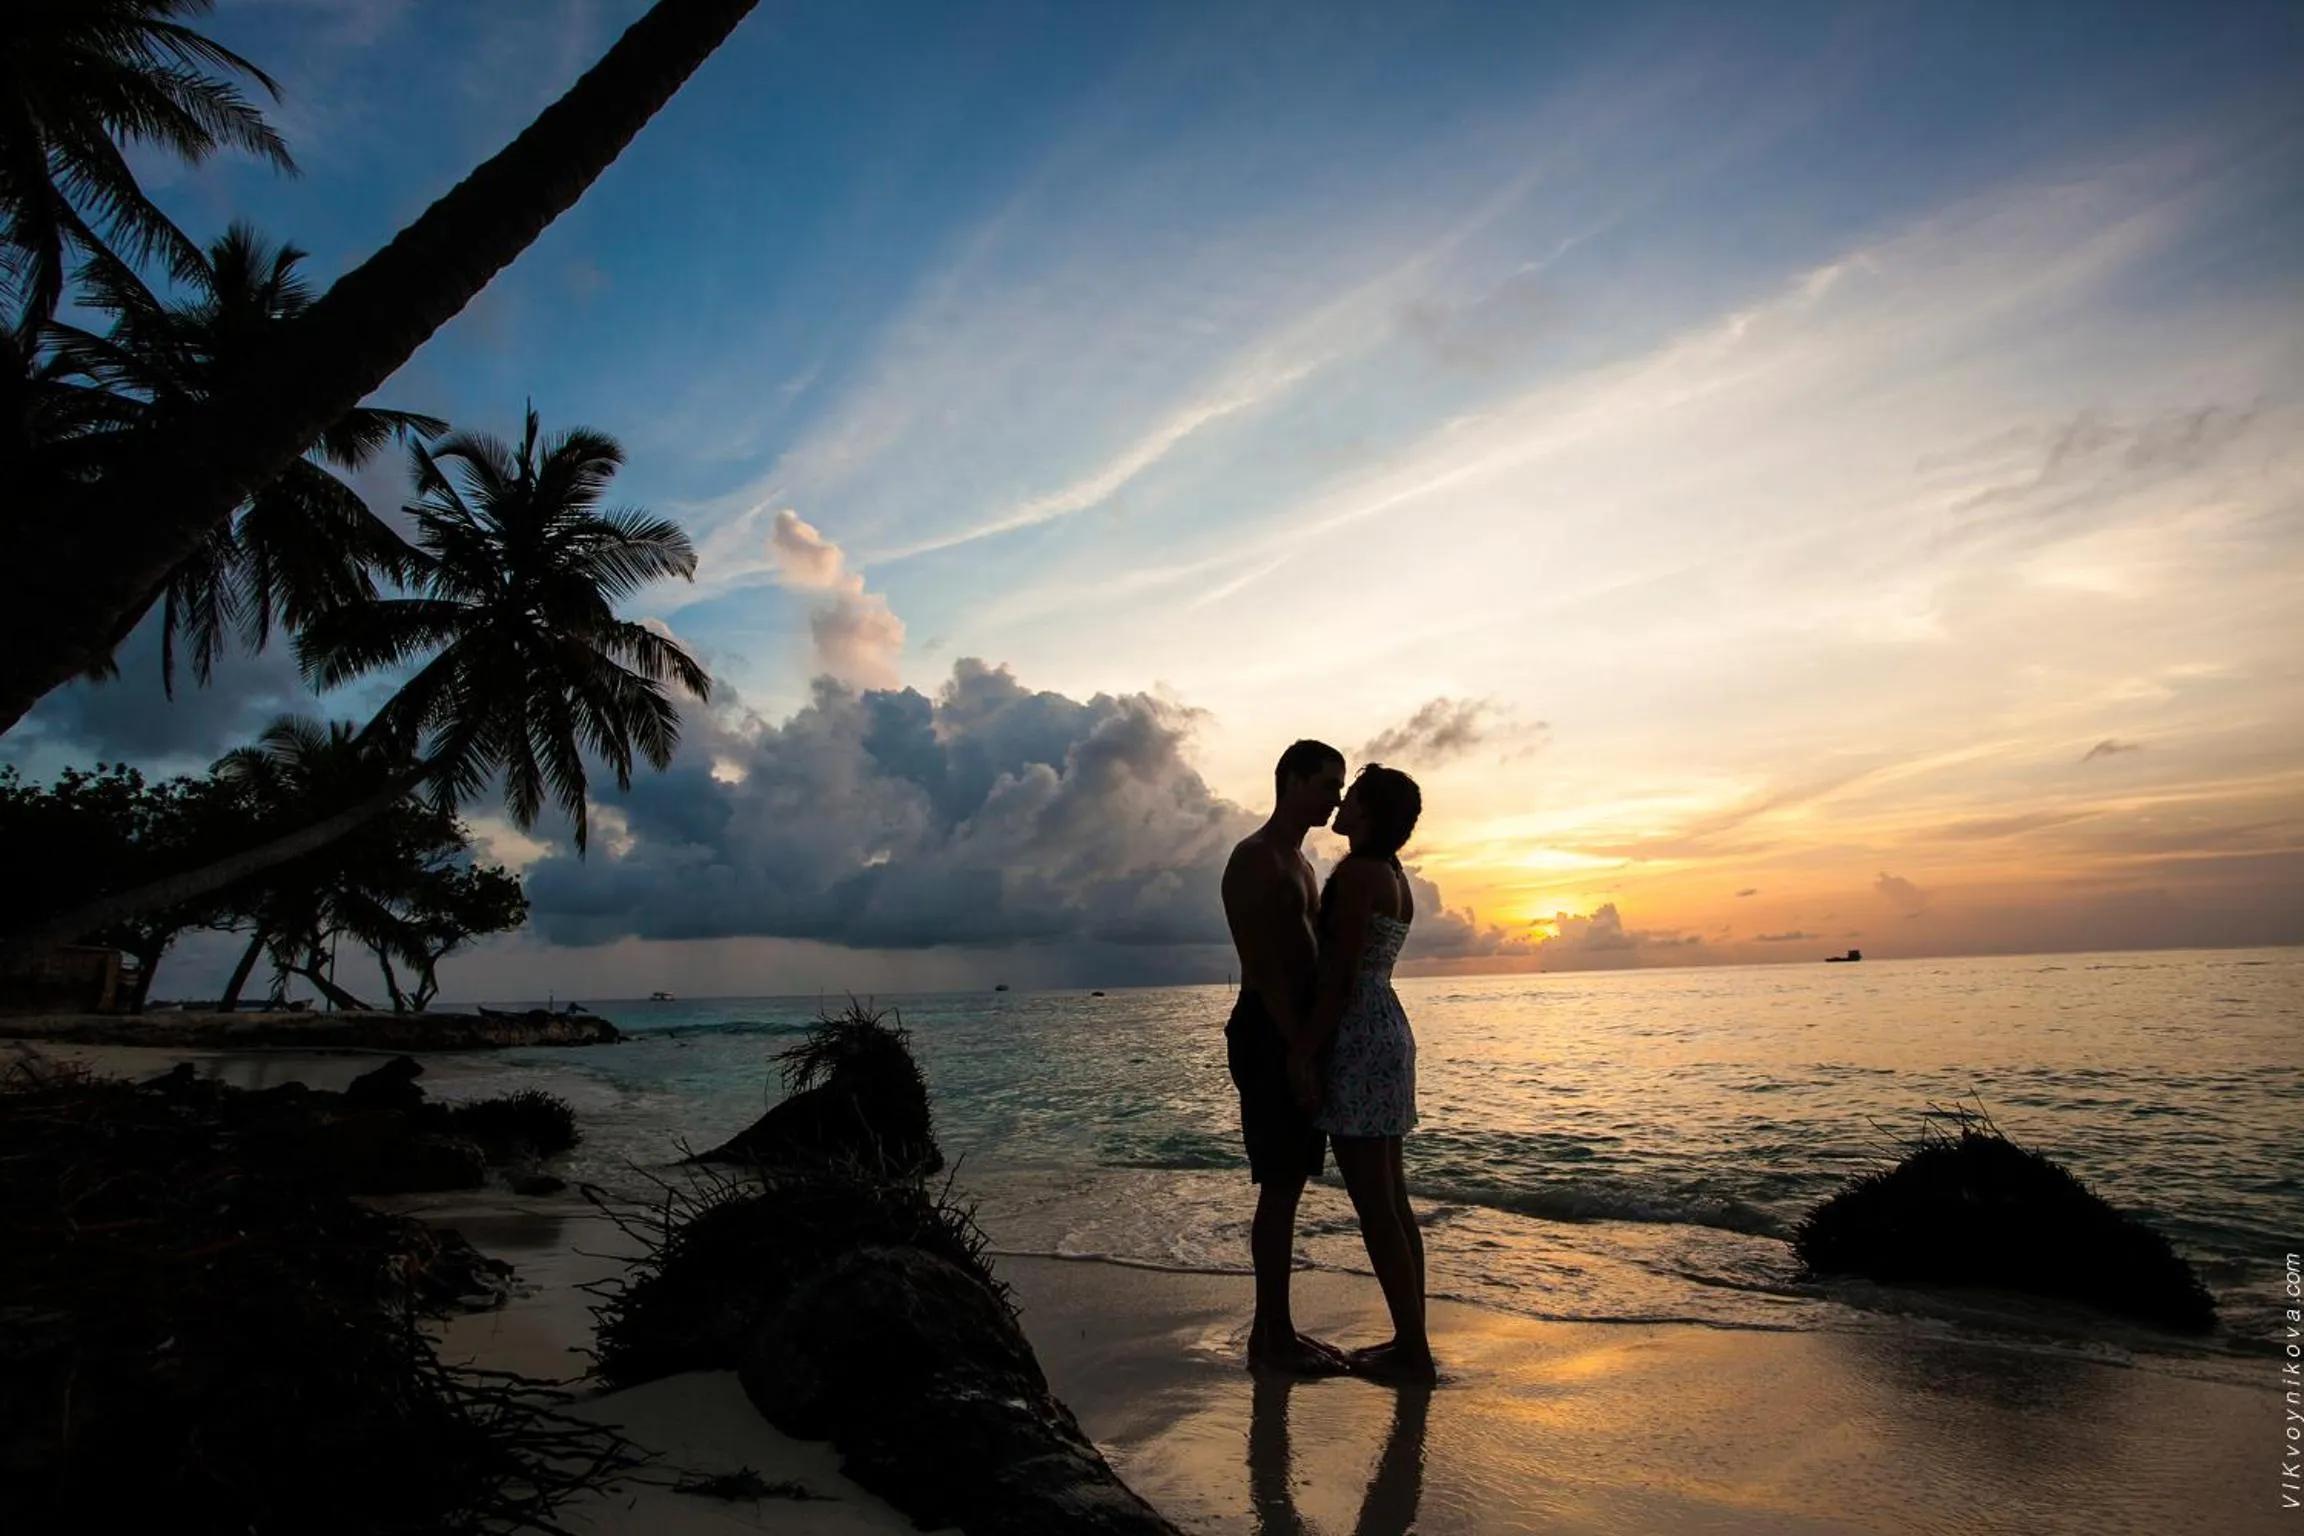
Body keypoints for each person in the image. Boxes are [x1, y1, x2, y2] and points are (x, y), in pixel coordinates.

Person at [1294, 764, 1431, 1384]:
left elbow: (1339, 976)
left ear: (1370, 815)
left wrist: (1303, 1050)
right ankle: (1411, 1339)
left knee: (1375, 1204)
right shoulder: (1396, 876)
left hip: (1358, 1034)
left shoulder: (1357, 875)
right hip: (1389, 1029)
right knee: (1392, 1199)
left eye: (1352, 799)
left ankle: (1412, 1351)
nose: (1341, 805)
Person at [1221, 738, 1349, 1374]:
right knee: (1279, 1185)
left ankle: (1277, 1329)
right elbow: (1266, 966)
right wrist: (1298, 1049)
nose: (1337, 799)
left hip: (1297, 1033)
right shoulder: (1255, 857)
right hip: (1270, 1031)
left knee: (1290, 1184)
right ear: (1292, 781)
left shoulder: (1299, 863)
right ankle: (1271, 1336)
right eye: (1328, 785)